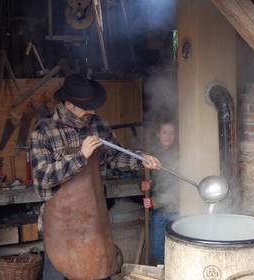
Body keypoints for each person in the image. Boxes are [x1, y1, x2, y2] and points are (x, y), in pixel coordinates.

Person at [29, 74, 161, 280]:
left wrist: (139, 159)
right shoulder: (44, 131)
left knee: (99, 273)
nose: (92, 111)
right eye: (87, 107)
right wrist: (81, 156)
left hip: (94, 222)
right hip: (60, 229)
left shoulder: (97, 124)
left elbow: (114, 157)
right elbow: (43, 179)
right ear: (69, 104)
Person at [142, 114, 179, 264]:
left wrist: (153, 202)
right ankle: (165, 272)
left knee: (176, 248)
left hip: (176, 210)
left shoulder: (179, 155)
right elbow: (150, 180)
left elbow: (177, 187)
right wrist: (145, 185)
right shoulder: (152, 155)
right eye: (165, 132)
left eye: (172, 133)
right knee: (157, 249)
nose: (168, 136)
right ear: (158, 134)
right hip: (159, 211)